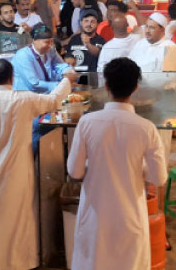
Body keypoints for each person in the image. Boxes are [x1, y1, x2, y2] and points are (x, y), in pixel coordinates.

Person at [0, 59, 74, 270]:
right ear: (12, 77)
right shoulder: (24, 101)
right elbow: (54, 100)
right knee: (15, 225)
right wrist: (67, 80)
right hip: (16, 177)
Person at [67, 57, 167, 270]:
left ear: (106, 85)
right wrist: (138, 168)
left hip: (95, 216)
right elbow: (158, 178)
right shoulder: (146, 128)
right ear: (136, 88)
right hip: (130, 216)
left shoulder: (87, 122)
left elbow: (74, 171)